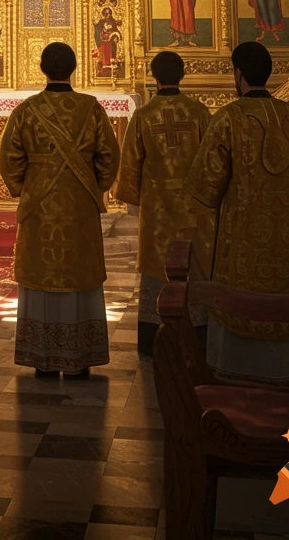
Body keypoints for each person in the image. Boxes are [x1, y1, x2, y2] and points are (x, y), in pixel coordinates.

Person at [184, 41, 289, 389]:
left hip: (241, 246)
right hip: (288, 246)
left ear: (238, 74)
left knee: (238, 298)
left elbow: (203, 186)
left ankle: (238, 379)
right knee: (285, 303)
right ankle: (287, 378)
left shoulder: (228, 120)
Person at [0, 41, 120, 376]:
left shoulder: (26, 110)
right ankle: (81, 359)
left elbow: (9, 158)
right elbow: (109, 155)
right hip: (80, 205)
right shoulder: (91, 107)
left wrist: (24, 189)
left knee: (42, 274)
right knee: (79, 273)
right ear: (74, 67)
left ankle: (43, 358)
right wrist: (96, 187)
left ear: (42, 68)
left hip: (40, 205)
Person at [114, 50, 214, 356]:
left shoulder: (144, 115)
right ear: (182, 75)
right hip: (194, 209)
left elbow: (131, 163)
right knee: (193, 263)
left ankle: (154, 339)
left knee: (159, 266)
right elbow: (212, 160)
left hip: (158, 210)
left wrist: (131, 196)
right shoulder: (198, 112)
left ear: (154, 77)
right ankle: (195, 334)